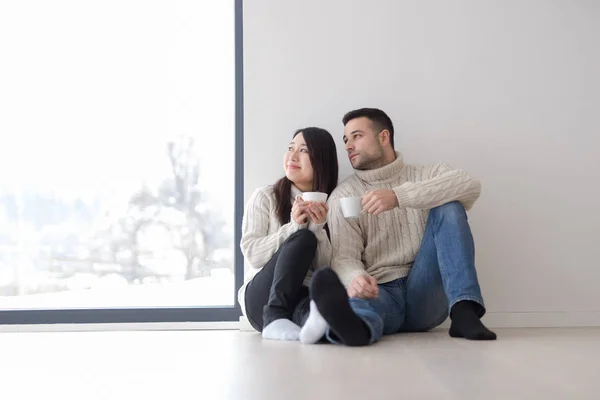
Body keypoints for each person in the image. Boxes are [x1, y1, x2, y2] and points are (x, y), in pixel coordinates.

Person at [300, 108, 496, 346]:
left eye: (357, 136)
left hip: (426, 291)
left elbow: (469, 185)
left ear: (384, 137)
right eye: (345, 140)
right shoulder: (344, 195)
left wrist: (398, 196)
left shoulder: (426, 174)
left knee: (449, 207)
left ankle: (465, 311)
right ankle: (356, 327)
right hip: (381, 291)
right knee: (360, 303)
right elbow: (344, 257)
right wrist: (356, 278)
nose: (348, 145)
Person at [239, 127, 338, 341]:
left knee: (315, 317)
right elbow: (253, 255)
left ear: (321, 160)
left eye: (303, 150)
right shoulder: (266, 197)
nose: (292, 156)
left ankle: (321, 329)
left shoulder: (335, 204)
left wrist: (318, 227)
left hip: (301, 295)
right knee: (303, 238)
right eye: (290, 148)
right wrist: (294, 227)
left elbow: (325, 271)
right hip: (261, 301)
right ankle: (274, 318)